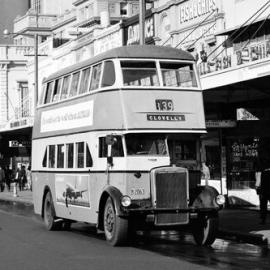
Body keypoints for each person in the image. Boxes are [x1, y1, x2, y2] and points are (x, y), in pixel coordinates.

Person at [255, 138, 270, 224]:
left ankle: (263, 218)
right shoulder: (261, 159)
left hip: (264, 183)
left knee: (263, 202)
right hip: (264, 182)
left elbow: (258, 171)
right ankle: (263, 218)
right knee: (263, 202)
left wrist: (258, 185)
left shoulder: (261, 160)